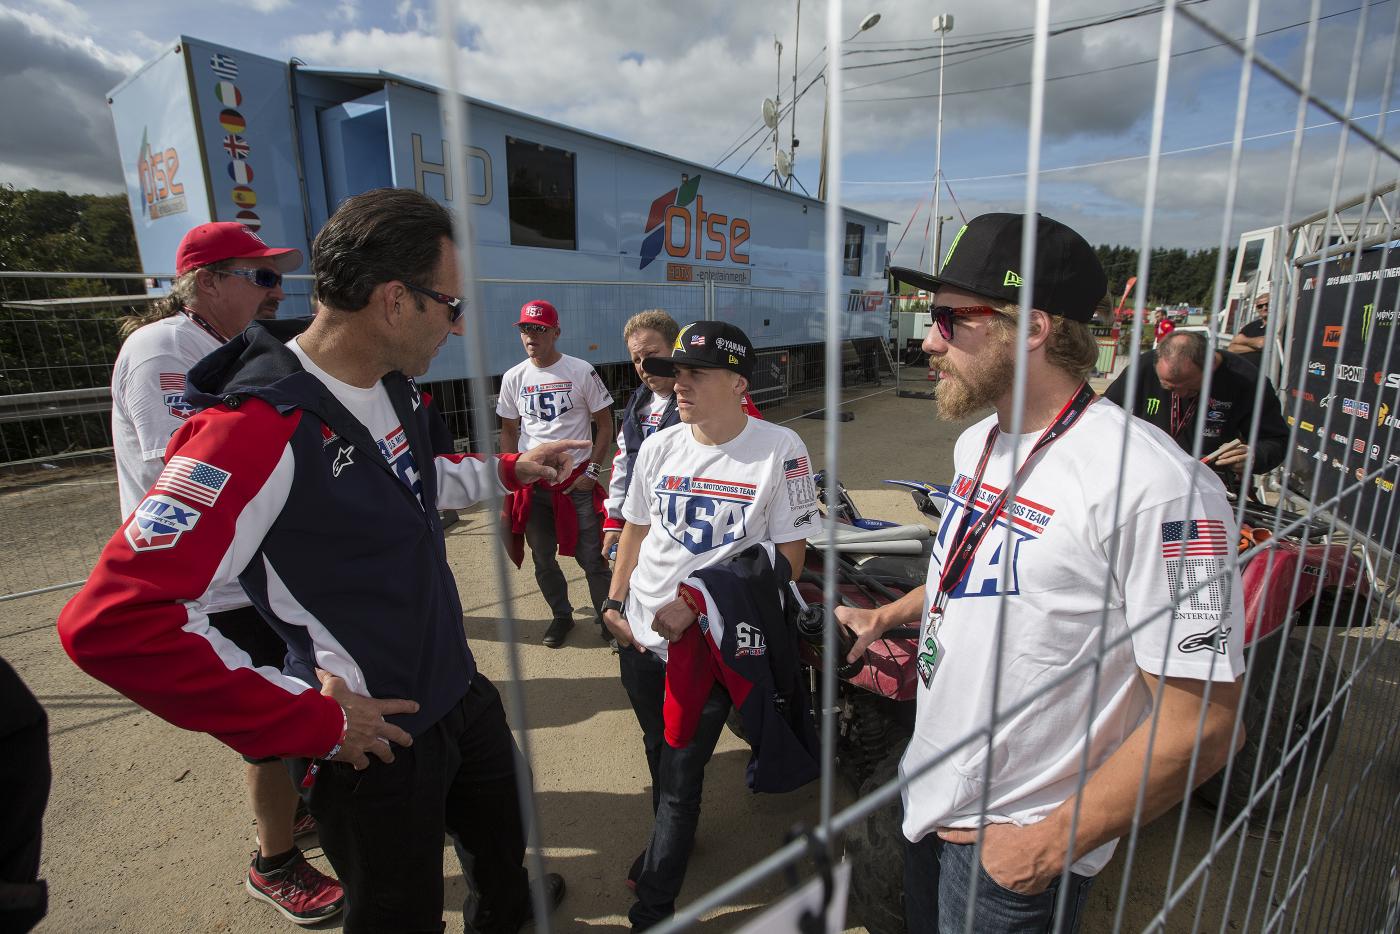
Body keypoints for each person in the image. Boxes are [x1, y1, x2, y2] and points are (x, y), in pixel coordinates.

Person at [59, 188, 573, 933]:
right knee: (398, 914)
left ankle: (506, 910)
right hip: (374, 735)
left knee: (502, 841)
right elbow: (114, 622)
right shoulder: (251, 429)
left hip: (455, 685)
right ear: (394, 301)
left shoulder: (390, 384)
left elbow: (412, 478)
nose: (459, 326)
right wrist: (309, 720)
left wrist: (508, 470)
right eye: (451, 305)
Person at [842, 213, 1245, 933]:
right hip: (927, 791)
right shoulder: (979, 442)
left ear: (1028, 328)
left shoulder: (1160, 487)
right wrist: (887, 614)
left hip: (1016, 842)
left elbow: (1205, 725)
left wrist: (1044, 848)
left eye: (948, 319)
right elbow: (982, 575)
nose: (927, 340)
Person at [109, 221, 345, 924]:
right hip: (212, 585)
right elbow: (179, 464)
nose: (276, 292)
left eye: (277, 278)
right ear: (208, 283)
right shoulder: (163, 348)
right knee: (267, 720)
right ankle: (273, 863)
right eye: (260, 277)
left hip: (245, 573)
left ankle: (291, 812)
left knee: (288, 696)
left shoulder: (221, 343)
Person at [601, 320, 816, 930]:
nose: (679, 384)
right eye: (675, 373)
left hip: (709, 644)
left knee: (679, 774)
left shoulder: (781, 449)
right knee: (658, 750)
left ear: (739, 383)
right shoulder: (660, 445)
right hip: (639, 635)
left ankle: (653, 907)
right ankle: (671, 838)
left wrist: (698, 602)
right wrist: (613, 604)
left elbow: (791, 557)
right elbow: (636, 530)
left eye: (695, 373)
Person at [600, 310, 763, 561]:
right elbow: (623, 461)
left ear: (676, 350)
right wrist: (615, 520)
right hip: (641, 521)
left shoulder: (721, 400)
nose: (644, 366)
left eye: (651, 355)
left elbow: (753, 456)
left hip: (695, 529)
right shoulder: (638, 401)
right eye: (636, 359)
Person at [497, 300, 615, 647]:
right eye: (525, 329)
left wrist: (592, 471)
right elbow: (508, 430)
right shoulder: (513, 377)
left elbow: (605, 424)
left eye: (539, 329)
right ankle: (562, 616)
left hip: (576, 483)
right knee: (543, 556)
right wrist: (512, 473)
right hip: (534, 485)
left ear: (556, 332)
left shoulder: (580, 371)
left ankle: (610, 623)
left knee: (592, 558)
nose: (531, 336)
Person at [1104, 330, 1289, 478]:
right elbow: (1106, 412)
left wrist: (1254, 455)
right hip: (1145, 475)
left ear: (1211, 365)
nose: (1180, 395)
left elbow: (1276, 440)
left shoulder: (1248, 381)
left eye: (1191, 389)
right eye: (1168, 388)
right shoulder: (1144, 367)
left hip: (1209, 483)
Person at [1227, 292, 1271, 369]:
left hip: (1264, 372)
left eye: (1267, 304)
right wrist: (1257, 348)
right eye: (1260, 306)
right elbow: (1231, 348)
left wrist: (1243, 340)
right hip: (1243, 371)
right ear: (1257, 309)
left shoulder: (1278, 325)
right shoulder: (1251, 326)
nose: (1264, 308)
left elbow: (1263, 343)